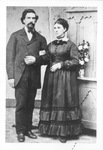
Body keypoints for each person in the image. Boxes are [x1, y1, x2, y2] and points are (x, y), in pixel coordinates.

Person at [35, 18, 83, 143]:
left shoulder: (70, 45)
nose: (56, 30)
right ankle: (49, 129)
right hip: (51, 77)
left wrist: (60, 64)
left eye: (59, 28)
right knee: (51, 100)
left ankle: (64, 132)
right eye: (55, 27)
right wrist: (35, 59)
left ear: (65, 29)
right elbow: (46, 58)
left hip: (65, 78)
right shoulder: (51, 44)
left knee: (62, 101)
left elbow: (76, 61)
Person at [6, 9, 47, 142]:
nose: (31, 20)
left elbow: (46, 57)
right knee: (21, 104)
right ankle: (20, 131)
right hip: (20, 76)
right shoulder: (15, 36)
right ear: (23, 20)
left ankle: (28, 129)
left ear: (36, 20)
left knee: (30, 103)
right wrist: (11, 77)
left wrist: (36, 60)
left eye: (33, 18)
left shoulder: (40, 39)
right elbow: (9, 58)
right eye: (28, 18)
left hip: (33, 76)